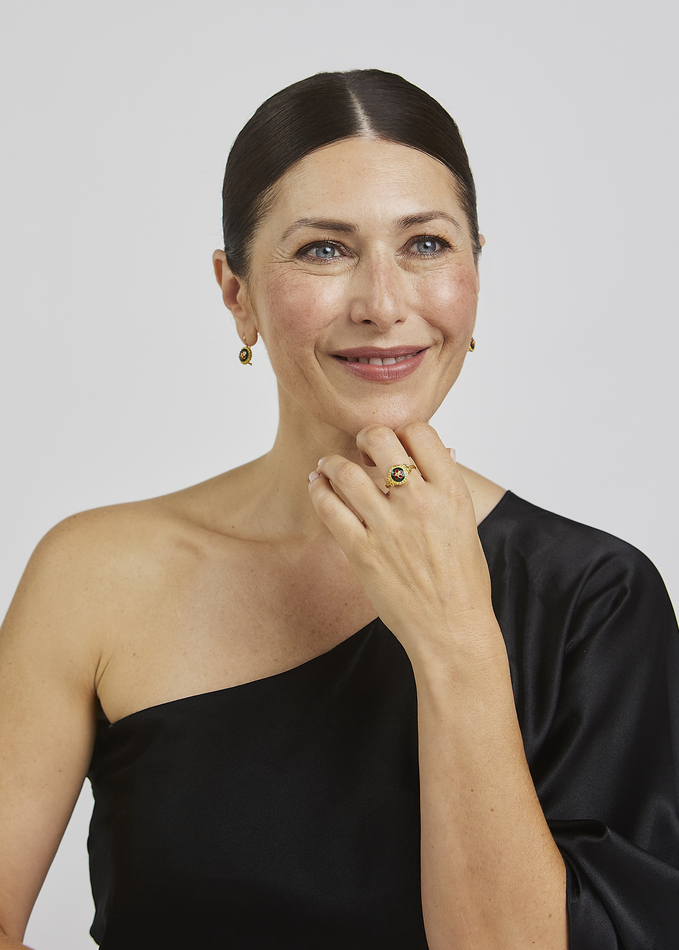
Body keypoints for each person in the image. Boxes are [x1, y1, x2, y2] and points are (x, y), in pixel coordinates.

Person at [0, 68, 677, 950]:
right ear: (235, 291)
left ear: (474, 272)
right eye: (324, 250)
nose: (384, 305)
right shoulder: (94, 575)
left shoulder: (596, 597)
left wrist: (453, 638)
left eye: (426, 245)